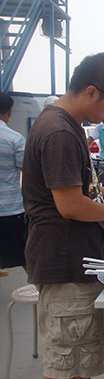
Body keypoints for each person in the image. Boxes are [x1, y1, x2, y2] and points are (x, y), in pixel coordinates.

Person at [21, 53, 104, 379]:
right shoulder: (58, 131)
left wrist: (103, 193)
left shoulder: (68, 125)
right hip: (63, 261)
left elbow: (73, 187)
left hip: (79, 257)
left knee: (82, 340)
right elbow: (69, 205)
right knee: (64, 351)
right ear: (91, 92)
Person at [0, 93, 27, 274]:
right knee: (24, 255)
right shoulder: (14, 139)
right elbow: (28, 171)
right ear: (10, 111)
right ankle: (39, 286)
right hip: (10, 209)